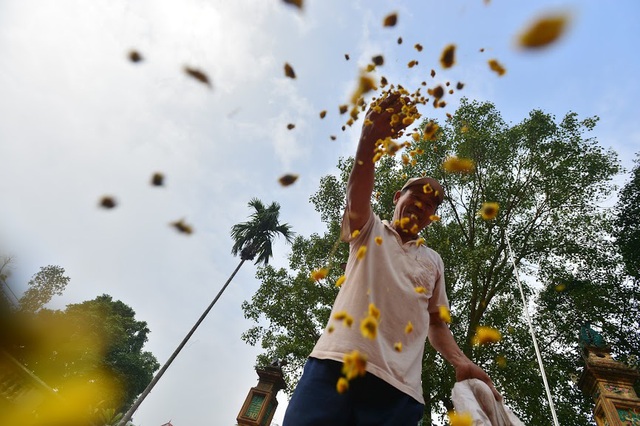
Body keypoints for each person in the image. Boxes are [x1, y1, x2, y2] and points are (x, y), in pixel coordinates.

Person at [283, 93, 500, 425]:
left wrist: (460, 361)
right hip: (334, 364)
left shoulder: (433, 261)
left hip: (398, 391)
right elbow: (357, 192)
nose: (423, 205)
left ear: (432, 218)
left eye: (431, 205)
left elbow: (437, 323)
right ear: (398, 197)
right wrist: (368, 140)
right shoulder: (370, 230)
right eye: (418, 194)